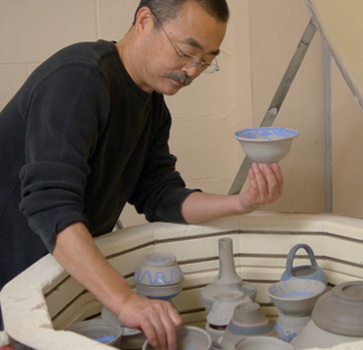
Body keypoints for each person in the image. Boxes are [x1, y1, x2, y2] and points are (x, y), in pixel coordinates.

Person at [0, 0, 284, 349]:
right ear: (145, 21)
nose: (192, 71)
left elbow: (161, 197)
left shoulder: (152, 108)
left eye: (206, 61)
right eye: (186, 52)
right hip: (10, 279)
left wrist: (241, 203)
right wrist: (124, 300)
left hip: (52, 276)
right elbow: (50, 207)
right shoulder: (79, 79)